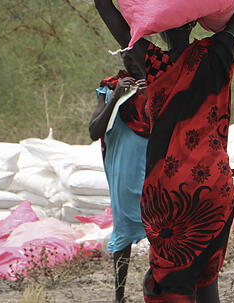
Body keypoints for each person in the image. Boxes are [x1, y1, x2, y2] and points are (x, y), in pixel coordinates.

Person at [76, 0, 234, 303]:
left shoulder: (151, 65)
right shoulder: (217, 55)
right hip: (214, 186)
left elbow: (107, 9)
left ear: (157, 25)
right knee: (206, 283)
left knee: (173, 286)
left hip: (167, 193)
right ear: (193, 21)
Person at [89, 51, 150, 303]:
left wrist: (154, 93)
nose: (132, 61)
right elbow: (94, 131)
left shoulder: (160, 84)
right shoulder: (110, 87)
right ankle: (119, 295)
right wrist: (116, 97)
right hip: (123, 165)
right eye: (127, 57)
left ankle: (160, 287)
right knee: (124, 224)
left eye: (136, 56)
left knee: (159, 224)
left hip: (154, 161)